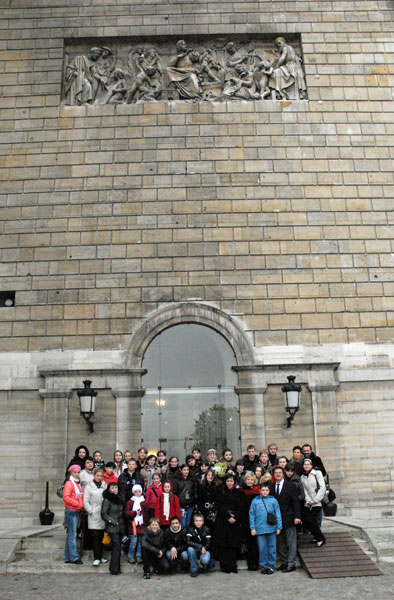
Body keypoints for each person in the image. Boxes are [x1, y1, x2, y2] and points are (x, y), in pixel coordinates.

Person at [271, 466, 301, 573]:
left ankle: (291, 563)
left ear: (283, 474)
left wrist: (297, 516)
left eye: (280, 472)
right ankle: (284, 561)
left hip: (289, 517)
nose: (278, 474)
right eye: (276, 473)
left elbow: (296, 502)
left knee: (291, 542)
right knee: (280, 542)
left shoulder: (291, 486)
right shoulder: (271, 486)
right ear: (273, 475)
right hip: (276, 520)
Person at [249, 483, 282, 574]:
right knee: (262, 548)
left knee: (272, 547)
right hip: (260, 529)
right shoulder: (255, 501)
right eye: (263, 490)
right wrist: (253, 528)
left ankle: (271, 565)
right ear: (260, 491)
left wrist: (279, 527)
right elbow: (252, 515)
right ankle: (264, 565)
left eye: (266, 490)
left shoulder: (273, 501)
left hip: (271, 528)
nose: (264, 492)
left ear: (269, 491)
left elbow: (277, 514)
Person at [215, 474, 243, 573]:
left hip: (235, 522)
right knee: (224, 544)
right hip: (223, 521)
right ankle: (225, 566)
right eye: (227, 481)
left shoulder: (239, 492)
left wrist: (235, 517)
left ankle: (232, 565)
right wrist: (228, 517)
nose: (229, 483)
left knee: (233, 544)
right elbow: (220, 506)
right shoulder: (220, 491)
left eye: (231, 481)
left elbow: (241, 507)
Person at [83, 468, 108, 566]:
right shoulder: (89, 486)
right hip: (94, 513)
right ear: (94, 476)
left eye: (101, 476)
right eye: (97, 475)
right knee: (96, 536)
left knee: (102, 536)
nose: (99, 477)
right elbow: (86, 501)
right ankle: (96, 557)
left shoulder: (104, 485)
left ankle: (101, 556)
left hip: (103, 513)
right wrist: (90, 510)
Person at [300, 458, 326, 546]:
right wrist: (308, 500)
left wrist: (315, 500)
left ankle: (320, 538)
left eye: (308, 464)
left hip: (317, 502)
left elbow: (322, 487)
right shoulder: (302, 477)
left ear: (311, 465)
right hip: (308, 502)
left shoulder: (317, 473)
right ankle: (316, 536)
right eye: (305, 464)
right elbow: (305, 491)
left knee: (310, 519)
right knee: (306, 520)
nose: (306, 466)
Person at [101, 481, 125, 575]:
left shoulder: (119, 498)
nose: (115, 490)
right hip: (112, 526)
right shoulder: (107, 500)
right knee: (116, 547)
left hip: (120, 526)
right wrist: (112, 521)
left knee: (118, 547)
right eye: (112, 488)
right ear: (109, 489)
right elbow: (104, 514)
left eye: (116, 488)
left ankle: (116, 568)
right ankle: (114, 569)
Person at [63, 465, 84, 564]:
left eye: (78, 472)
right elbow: (66, 497)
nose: (77, 474)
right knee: (72, 534)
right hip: (72, 510)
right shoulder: (69, 483)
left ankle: (68, 557)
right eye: (75, 472)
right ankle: (74, 557)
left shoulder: (76, 483)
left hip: (75, 510)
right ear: (71, 473)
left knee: (70, 534)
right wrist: (78, 504)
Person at [124, 484, 149, 564]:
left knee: (140, 542)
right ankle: (130, 556)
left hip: (142, 525)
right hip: (133, 525)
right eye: (136, 492)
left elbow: (146, 513)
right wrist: (135, 513)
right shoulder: (130, 502)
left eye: (139, 492)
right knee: (133, 541)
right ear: (133, 493)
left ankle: (139, 555)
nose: (138, 493)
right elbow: (126, 512)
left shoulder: (144, 502)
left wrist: (145, 521)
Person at [241, 472, 260, 570]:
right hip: (245, 519)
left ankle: (256, 563)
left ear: (254, 481)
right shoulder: (241, 491)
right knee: (248, 542)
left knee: (255, 542)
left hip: (256, 519)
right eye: (248, 479)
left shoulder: (257, 491)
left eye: (251, 480)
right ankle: (250, 563)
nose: (249, 481)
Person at [185, 512, 212, 577]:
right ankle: (194, 570)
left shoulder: (207, 529)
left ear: (203, 522)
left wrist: (204, 548)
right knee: (190, 549)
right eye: (196, 521)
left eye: (200, 521)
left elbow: (209, 543)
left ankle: (205, 566)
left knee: (205, 560)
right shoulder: (190, 529)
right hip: (194, 549)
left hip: (204, 550)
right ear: (194, 522)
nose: (198, 522)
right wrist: (200, 546)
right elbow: (188, 541)